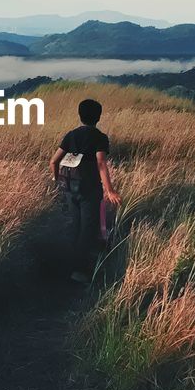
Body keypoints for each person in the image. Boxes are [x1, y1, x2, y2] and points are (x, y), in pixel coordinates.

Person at [49, 98, 121, 283]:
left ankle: (65, 267)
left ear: (79, 116)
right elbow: (101, 163)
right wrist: (110, 190)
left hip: (69, 188)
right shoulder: (100, 137)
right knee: (87, 230)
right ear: (98, 117)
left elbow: (54, 161)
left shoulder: (71, 135)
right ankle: (78, 271)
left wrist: (57, 181)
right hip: (89, 189)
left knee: (75, 225)